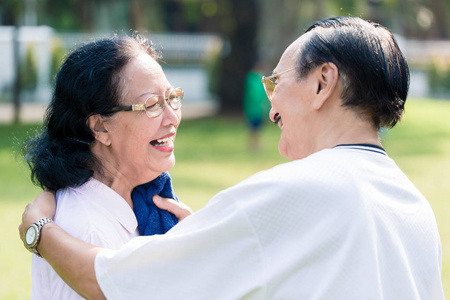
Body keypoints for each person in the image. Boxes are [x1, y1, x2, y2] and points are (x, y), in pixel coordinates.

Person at [19, 17, 444, 299]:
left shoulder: (290, 194)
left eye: (276, 81)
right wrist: (210, 245)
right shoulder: (415, 209)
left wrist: (38, 229)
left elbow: (110, 281)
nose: (271, 106)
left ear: (322, 83)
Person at [21, 35, 192, 299]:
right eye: (152, 105)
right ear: (100, 127)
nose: (172, 118)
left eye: (172, 98)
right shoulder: (88, 231)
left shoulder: (145, 202)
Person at [243, 58, 270, 151]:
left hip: (260, 109)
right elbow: (252, 93)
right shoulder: (251, 77)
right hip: (252, 108)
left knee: (258, 128)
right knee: (252, 128)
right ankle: (253, 145)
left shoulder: (260, 77)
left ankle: (256, 144)